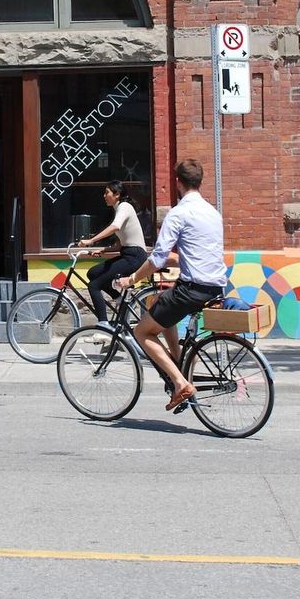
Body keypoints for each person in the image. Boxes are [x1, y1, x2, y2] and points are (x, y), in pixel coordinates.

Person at [114, 158, 228, 411]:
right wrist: (176, 260)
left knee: (142, 332)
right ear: (200, 181)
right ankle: (179, 363)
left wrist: (132, 279)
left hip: (191, 290)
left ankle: (180, 383)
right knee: (159, 302)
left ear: (178, 182)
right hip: (215, 287)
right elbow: (199, 251)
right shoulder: (212, 212)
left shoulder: (179, 213)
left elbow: (158, 258)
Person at [76, 181, 149, 329]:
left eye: (107, 192)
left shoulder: (124, 207)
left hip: (135, 256)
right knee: (93, 273)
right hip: (128, 254)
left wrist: (91, 241)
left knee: (94, 286)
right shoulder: (119, 209)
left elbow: (114, 227)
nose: (104, 196)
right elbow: (121, 244)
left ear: (117, 194)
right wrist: (103, 250)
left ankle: (103, 324)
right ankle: (119, 298)